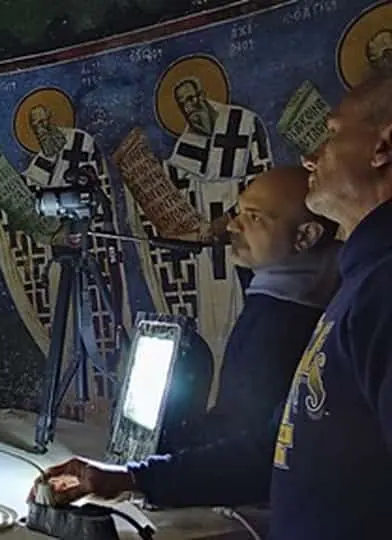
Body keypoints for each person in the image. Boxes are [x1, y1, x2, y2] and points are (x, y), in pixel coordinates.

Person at [34, 70, 392, 539]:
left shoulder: (382, 285)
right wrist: (131, 479)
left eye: (333, 133)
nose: (310, 157)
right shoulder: (360, 281)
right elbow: (274, 446)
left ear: (383, 146)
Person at [185, 167, 339, 444]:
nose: (232, 226)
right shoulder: (325, 285)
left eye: (254, 217)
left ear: (305, 236)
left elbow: (237, 438)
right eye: (239, 212)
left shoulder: (276, 322)